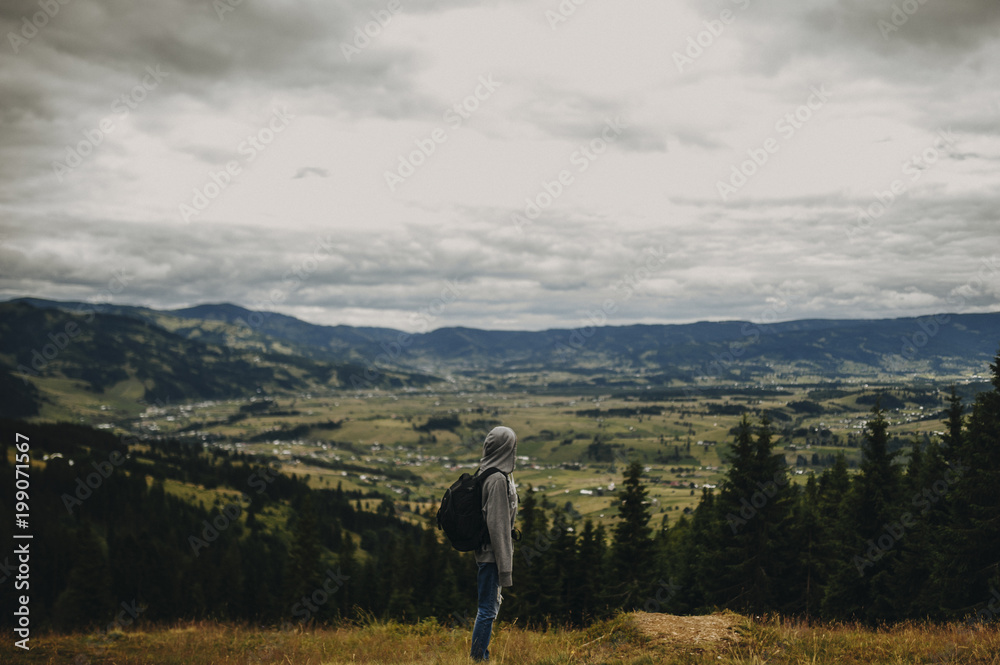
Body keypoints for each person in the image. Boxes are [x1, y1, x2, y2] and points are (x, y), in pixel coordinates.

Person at [470, 426, 518, 662]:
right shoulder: (497, 480)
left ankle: (480, 655)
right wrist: (505, 568)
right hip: (492, 555)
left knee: (488, 608)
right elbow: (498, 526)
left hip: (487, 552)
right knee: (487, 610)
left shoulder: (486, 471)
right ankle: (479, 658)